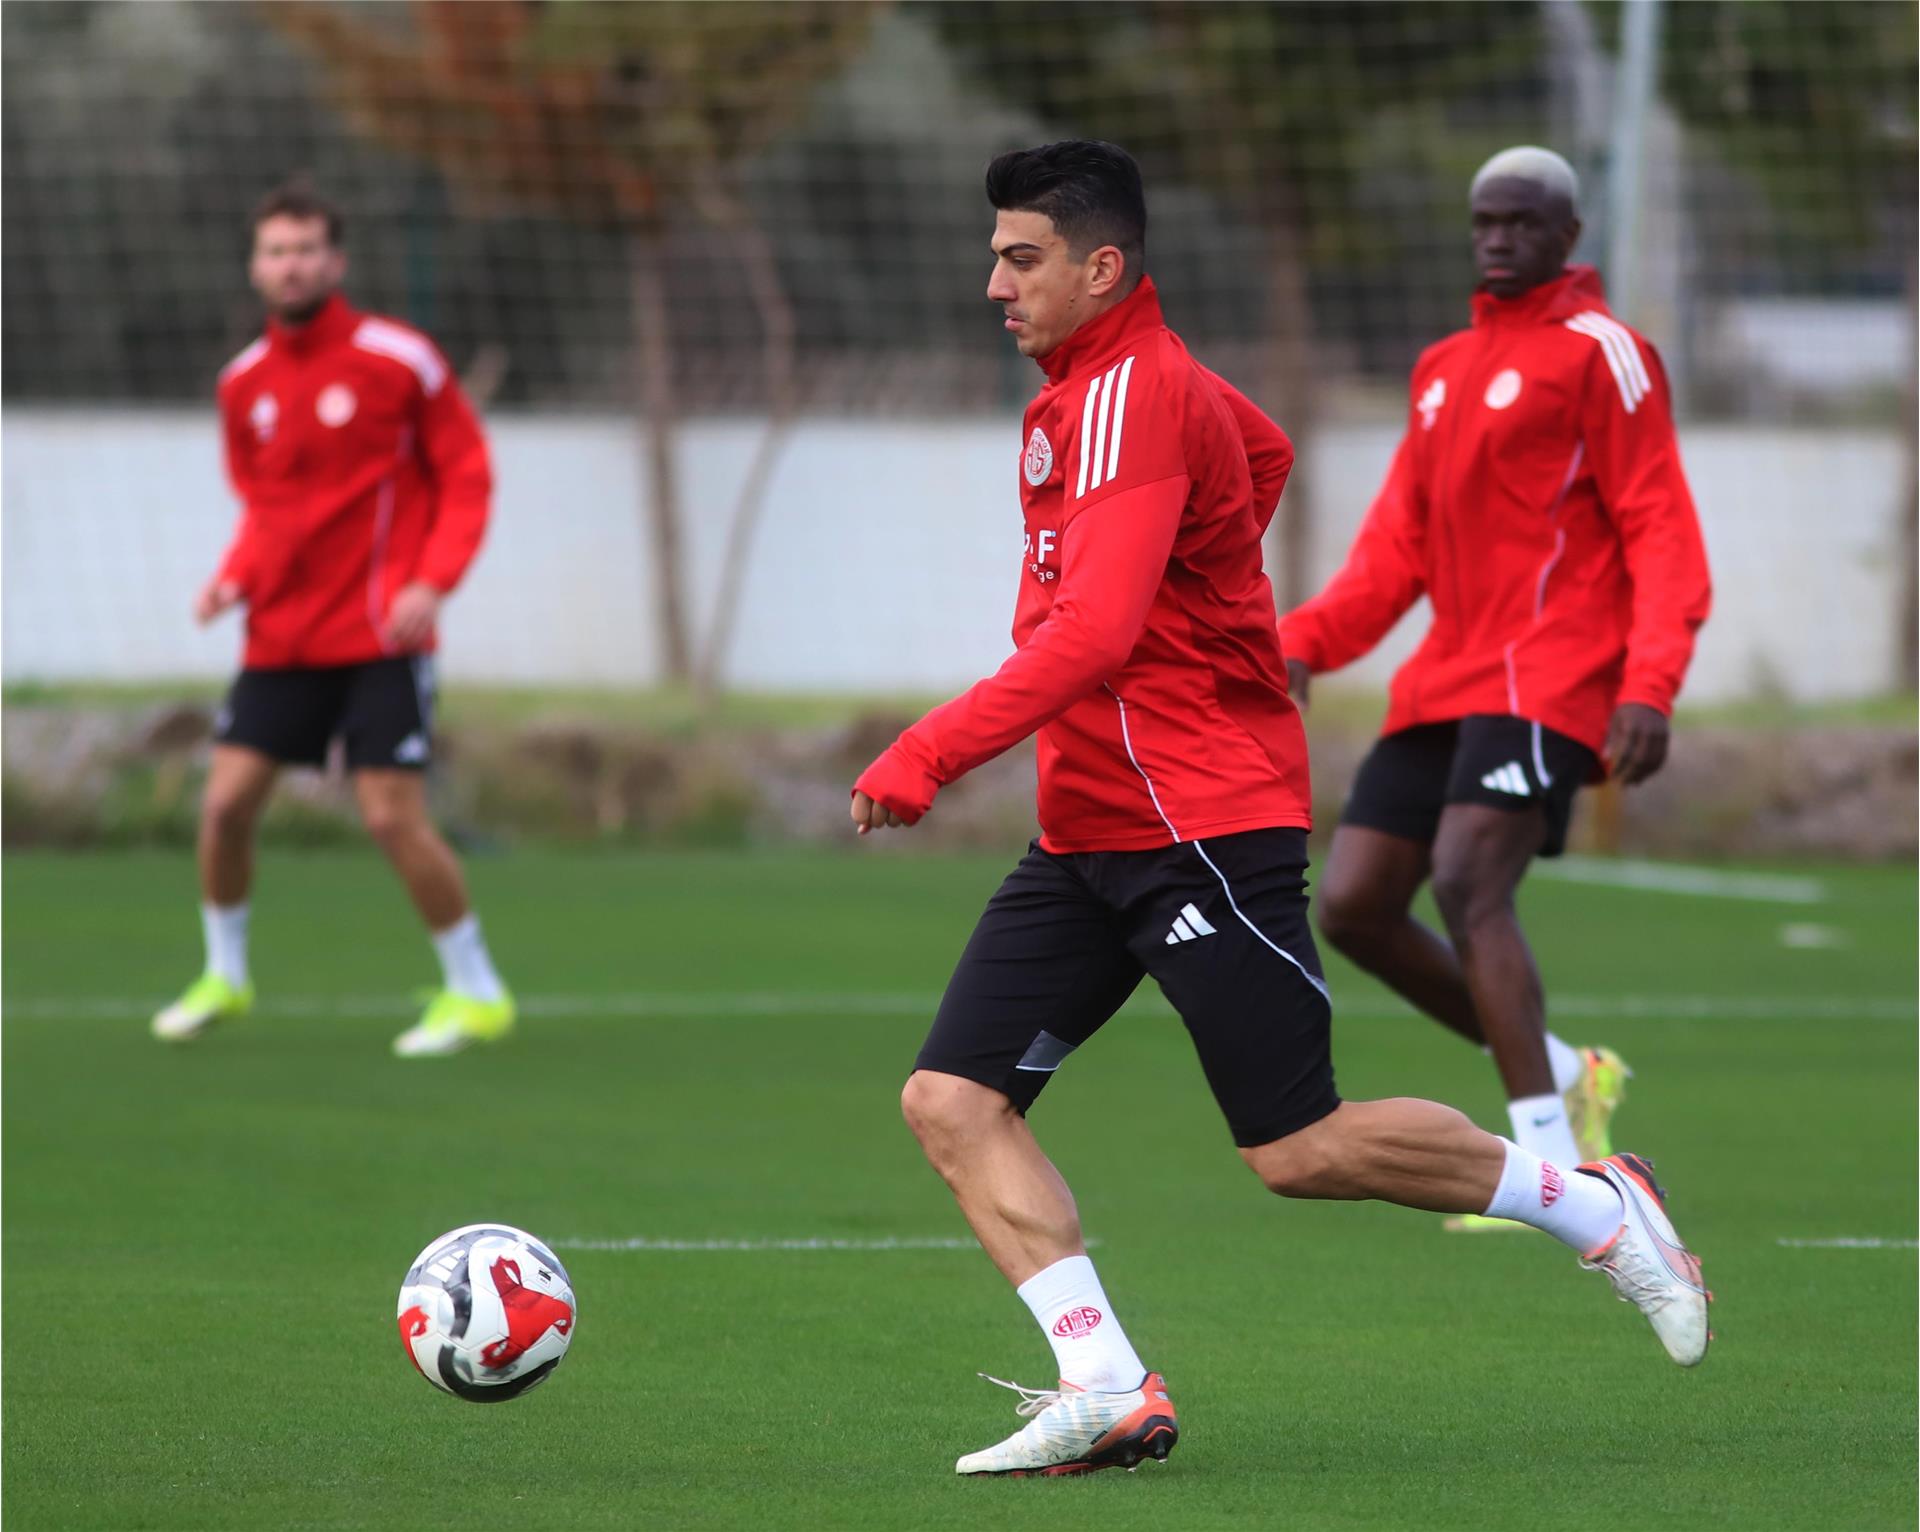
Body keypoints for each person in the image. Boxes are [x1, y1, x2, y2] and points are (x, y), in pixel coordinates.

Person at [851, 140, 1710, 1480]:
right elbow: (1264, 448)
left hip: (1195, 823)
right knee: (952, 1100)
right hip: (1089, 828)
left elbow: (1094, 632)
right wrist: (1228, 602)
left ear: (1102, 267)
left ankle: (1592, 1204)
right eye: (996, 258)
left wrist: (926, 754)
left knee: (1299, 1147)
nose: (995, 286)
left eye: (1021, 260)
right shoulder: (1095, 392)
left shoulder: (1133, 390)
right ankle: (1104, 1384)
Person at [1280, 147, 1712, 1230]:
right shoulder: (1443, 367)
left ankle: (1554, 1166)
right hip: (1450, 677)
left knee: (1469, 877)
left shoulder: (1607, 353)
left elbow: (1661, 525)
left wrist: (1650, 681)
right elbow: (1397, 547)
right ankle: (1564, 1066)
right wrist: (1301, 643)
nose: (1499, 239)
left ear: (1568, 236)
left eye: (1521, 222)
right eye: (1484, 222)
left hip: (1554, 673)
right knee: (1354, 905)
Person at [150, 183, 514, 1059]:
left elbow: (467, 475)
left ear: (335, 261)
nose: (292, 265)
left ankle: (476, 991)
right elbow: (266, 508)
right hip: (282, 638)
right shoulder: (242, 384)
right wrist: (232, 579)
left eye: (307, 249)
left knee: (390, 816)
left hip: (383, 635)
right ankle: (225, 975)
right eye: (276, 251)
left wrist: (433, 580)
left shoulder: (399, 359)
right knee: (224, 807)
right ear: (255, 266)